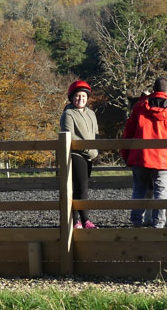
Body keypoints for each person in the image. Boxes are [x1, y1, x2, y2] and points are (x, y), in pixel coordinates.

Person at [121, 77, 167, 228]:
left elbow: (128, 133)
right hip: (164, 159)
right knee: (161, 192)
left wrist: (126, 156)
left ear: (153, 90)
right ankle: (159, 226)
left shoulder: (139, 107)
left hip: (140, 157)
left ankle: (137, 224)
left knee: (139, 189)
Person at [60, 80, 99, 229]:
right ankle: (82, 221)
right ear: (72, 97)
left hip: (90, 155)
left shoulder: (91, 114)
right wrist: (89, 149)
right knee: (80, 188)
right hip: (76, 154)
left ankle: (77, 220)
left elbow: (95, 133)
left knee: (81, 188)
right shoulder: (68, 114)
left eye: (83, 96)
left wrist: (96, 150)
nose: (80, 99)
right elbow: (69, 135)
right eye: (77, 96)